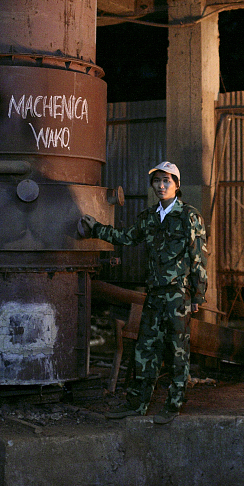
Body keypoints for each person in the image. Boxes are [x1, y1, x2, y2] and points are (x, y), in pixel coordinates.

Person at [80, 161, 207, 424]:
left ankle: (173, 405)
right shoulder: (149, 217)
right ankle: (137, 404)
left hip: (177, 295)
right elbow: (126, 237)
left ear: (177, 185)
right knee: (145, 349)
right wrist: (96, 229)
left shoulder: (189, 216)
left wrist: (198, 295)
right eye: (157, 181)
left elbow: (198, 258)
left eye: (166, 181)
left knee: (177, 351)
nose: (161, 186)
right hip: (153, 294)